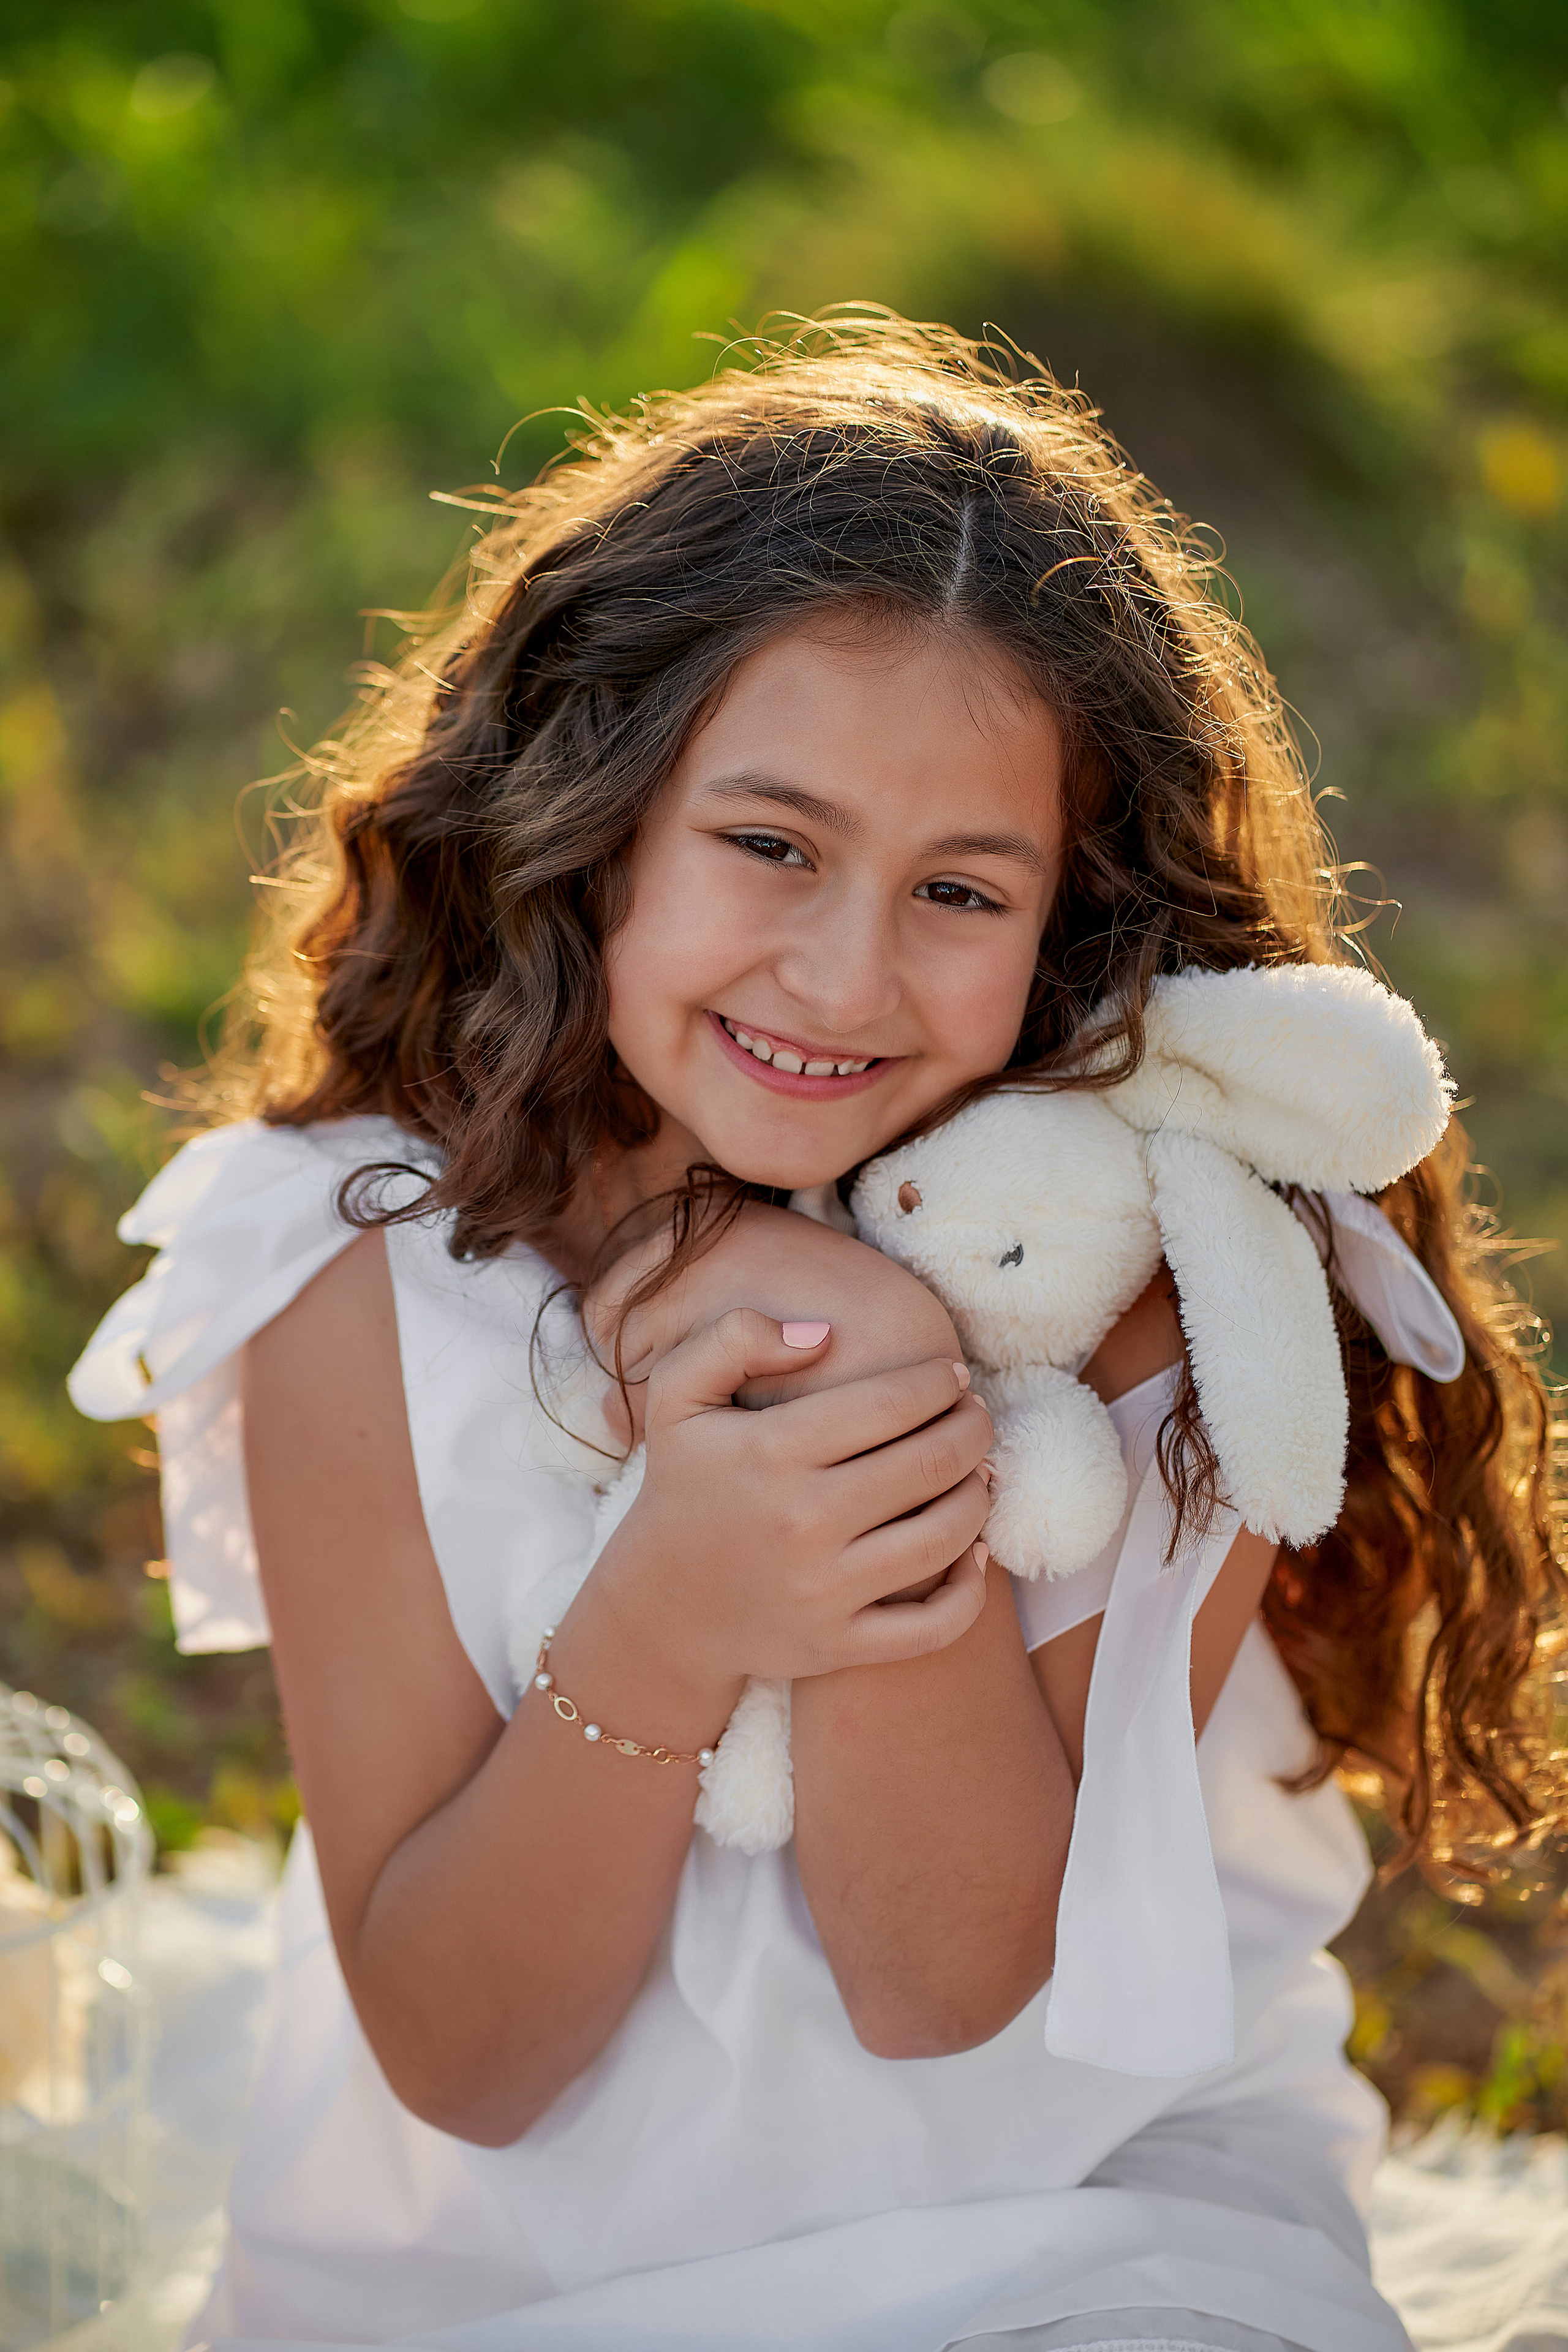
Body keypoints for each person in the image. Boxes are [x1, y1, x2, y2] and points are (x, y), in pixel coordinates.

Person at [70, 315, 1560, 2352]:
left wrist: (874, 1366)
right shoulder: (354, 1269)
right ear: (592, 816)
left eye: (963, 890)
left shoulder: (1156, 1266)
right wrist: (674, 1606)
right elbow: (465, 2053)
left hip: (1062, 2218)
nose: (845, 975)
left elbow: (939, 1983)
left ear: (1074, 915)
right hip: (498, 2274)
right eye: (768, 845)